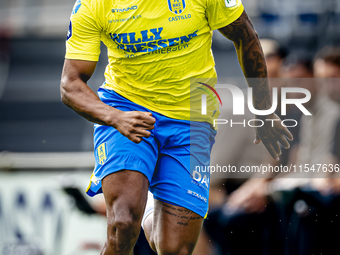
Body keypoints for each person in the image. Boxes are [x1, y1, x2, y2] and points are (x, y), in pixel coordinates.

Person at [60, 0, 293, 254]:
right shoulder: (94, 5)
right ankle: (140, 205)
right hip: (127, 112)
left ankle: (149, 204)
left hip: (191, 119)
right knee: (123, 223)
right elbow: (70, 84)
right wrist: (114, 117)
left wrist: (263, 109)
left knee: (175, 249)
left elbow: (245, 35)